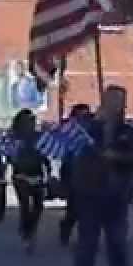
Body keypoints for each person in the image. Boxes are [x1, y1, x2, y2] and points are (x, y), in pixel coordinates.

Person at [69, 86, 133, 266]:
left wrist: (118, 157)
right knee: (87, 246)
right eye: (115, 101)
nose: (119, 106)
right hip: (91, 197)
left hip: (117, 198)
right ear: (104, 102)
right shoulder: (88, 130)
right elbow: (76, 161)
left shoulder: (126, 131)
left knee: (118, 247)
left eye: (122, 101)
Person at [9, 109, 49, 255]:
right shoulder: (14, 137)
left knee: (38, 206)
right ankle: (26, 232)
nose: (31, 123)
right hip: (21, 175)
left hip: (37, 175)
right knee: (25, 204)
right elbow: (10, 154)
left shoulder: (39, 137)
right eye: (28, 120)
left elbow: (44, 154)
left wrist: (48, 171)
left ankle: (31, 229)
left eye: (33, 120)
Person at [56, 104, 93, 246]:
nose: (84, 118)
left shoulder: (91, 128)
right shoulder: (69, 130)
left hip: (90, 172)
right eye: (81, 115)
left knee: (90, 208)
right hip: (73, 172)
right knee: (74, 208)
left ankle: (87, 237)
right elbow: (64, 155)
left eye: (86, 115)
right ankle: (66, 228)